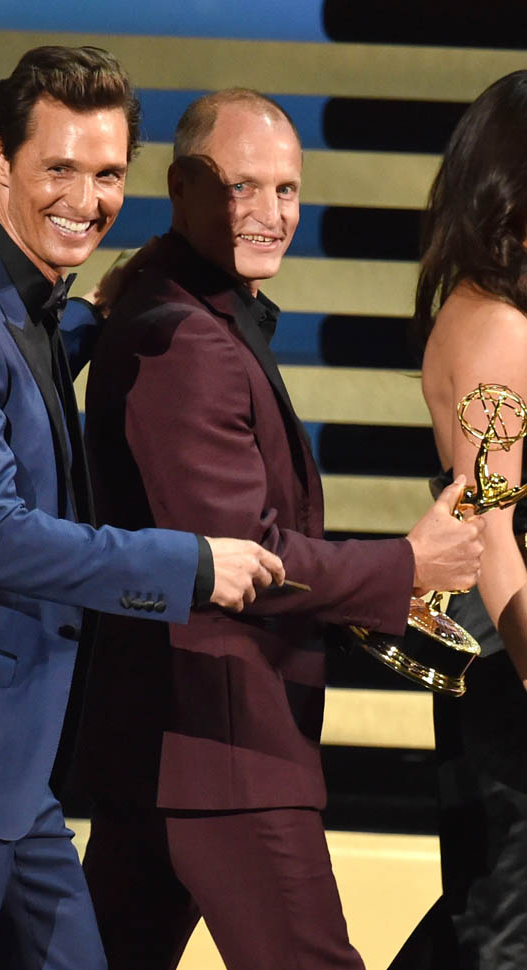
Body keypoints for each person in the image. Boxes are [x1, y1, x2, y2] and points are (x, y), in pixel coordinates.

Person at [0, 49, 286, 970]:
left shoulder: (20, 310)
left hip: (14, 776)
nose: (86, 198)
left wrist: (97, 322)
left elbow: (28, 367)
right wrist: (187, 564)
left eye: (107, 174)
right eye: (58, 167)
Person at [73, 88, 486, 970]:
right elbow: (241, 556)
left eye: (286, 191)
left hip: (173, 737)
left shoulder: (170, 301)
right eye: (240, 188)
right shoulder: (185, 339)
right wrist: (407, 565)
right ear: (182, 186)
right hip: (223, 742)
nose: (268, 216)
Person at [388, 71, 527, 970]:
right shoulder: (498, 328)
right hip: (509, 636)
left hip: (498, 635)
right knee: (506, 911)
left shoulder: (481, 311)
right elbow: (492, 529)